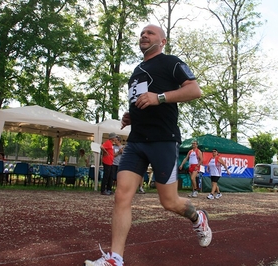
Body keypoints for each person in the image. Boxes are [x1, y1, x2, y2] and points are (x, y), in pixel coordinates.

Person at [84, 24, 211, 266]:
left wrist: (160, 97)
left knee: (169, 202)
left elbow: (195, 90)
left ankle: (197, 217)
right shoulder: (137, 70)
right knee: (121, 195)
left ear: (162, 41)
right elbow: (142, 101)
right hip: (137, 142)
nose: (144, 35)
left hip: (163, 140)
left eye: (150, 33)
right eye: (142, 33)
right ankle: (115, 259)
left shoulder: (170, 62)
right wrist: (132, 115)